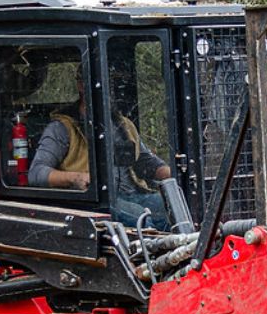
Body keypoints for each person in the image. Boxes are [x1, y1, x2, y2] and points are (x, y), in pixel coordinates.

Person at [28, 78, 171, 228]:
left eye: (111, 81)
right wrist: (75, 178)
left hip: (135, 193)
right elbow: (37, 172)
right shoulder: (62, 128)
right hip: (96, 201)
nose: (108, 86)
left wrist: (170, 172)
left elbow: (144, 160)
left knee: (171, 206)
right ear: (81, 85)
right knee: (140, 216)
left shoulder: (125, 125)